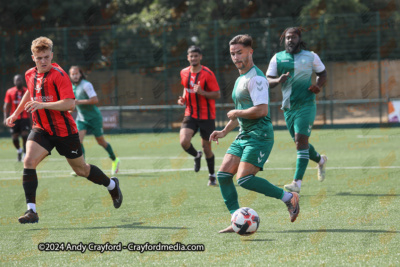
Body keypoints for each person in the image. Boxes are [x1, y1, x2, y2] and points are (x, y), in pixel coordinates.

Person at [5, 36, 123, 224]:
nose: (43, 61)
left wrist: (43, 105)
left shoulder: (59, 75)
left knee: (81, 170)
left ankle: (111, 185)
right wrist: (16, 113)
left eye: (46, 57)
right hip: (41, 129)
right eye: (39, 58)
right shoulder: (29, 74)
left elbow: (70, 105)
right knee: (28, 160)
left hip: (64, 131)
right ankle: (31, 211)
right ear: (33, 57)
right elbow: (30, 91)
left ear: (52, 55)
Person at [210, 34, 300, 233]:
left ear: (250, 52)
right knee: (224, 176)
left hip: (260, 136)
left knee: (244, 179)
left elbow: (261, 110)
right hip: (244, 134)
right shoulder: (240, 79)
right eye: (232, 54)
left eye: (239, 52)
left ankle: (289, 198)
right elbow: (240, 112)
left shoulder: (257, 78)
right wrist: (224, 131)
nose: (236, 57)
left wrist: (237, 113)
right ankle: (237, 219)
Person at [266, 27, 328, 194]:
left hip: (306, 105)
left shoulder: (311, 56)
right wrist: (278, 79)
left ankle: (297, 183)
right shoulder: (277, 58)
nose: (289, 41)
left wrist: (318, 85)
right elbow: (268, 81)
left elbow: (323, 74)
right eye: (287, 38)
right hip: (288, 108)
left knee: (300, 142)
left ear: (299, 39)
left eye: (293, 37)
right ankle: (320, 160)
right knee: (300, 142)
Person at [178, 45, 221, 186]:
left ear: (200, 57)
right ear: (188, 57)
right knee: (184, 141)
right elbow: (186, 88)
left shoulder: (207, 74)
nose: (194, 58)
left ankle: (212, 176)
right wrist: (183, 99)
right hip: (190, 113)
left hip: (207, 116)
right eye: (191, 56)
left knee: (207, 148)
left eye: (196, 56)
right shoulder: (184, 72)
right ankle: (196, 156)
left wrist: (203, 93)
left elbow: (217, 94)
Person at [68, 66, 120, 176]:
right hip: (82, 119)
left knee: (100, 141)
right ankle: (82, 167)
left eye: (77, 73)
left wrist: (79, 102)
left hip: (94, 118)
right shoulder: (71, 87)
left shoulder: (86, 85)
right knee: (78, 141)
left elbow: (95, 100)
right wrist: (68, 111)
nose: (75, 76)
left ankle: (115, 159)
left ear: (80, 74)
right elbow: (73, 104)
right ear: (70, 76)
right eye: (73, 74)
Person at [3, 74, 31, 161]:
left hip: (25, 118)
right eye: (16, 80)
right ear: (14, 82)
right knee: (14, 137)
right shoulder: (10, 91)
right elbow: (6, 105)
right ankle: (19, 150)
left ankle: (25, 153)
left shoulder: (27, 91)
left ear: (22, 81)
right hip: (14, 118)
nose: (18, 82)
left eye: (19, 80)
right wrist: (5, 118)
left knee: (24, 135)